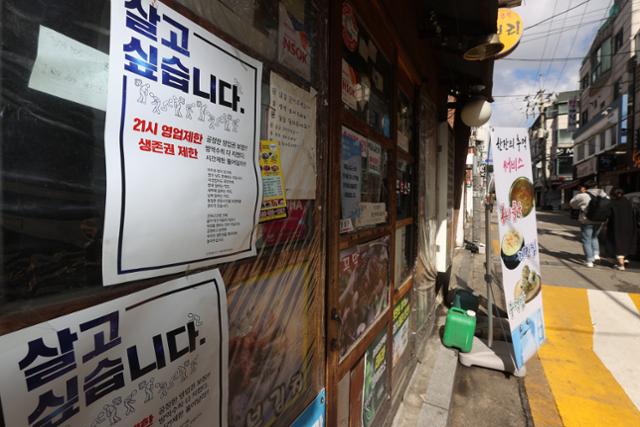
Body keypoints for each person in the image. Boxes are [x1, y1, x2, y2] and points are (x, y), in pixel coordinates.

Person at [569, 181, 609, 267]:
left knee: (586, 240)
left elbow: (572, 204)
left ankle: (589, 260)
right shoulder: (605, 195)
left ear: (585, 187)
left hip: (587, 220)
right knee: (594, 237)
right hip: (600, 220)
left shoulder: (583, 195)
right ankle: (596, 255)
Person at [606, 188, 638, 271]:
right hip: (630, 225)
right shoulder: (628, 202)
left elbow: (608, 215)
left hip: (617, 226)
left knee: (618, 243)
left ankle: (621, 265)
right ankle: (625, 259)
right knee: (627, 242)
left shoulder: (613, 203)